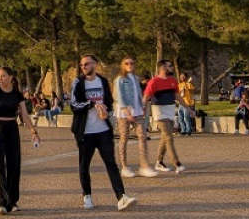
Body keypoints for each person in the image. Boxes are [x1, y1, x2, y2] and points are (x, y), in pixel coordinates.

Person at [70, 54, 137, 212]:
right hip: (85, 132)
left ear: (95, 64)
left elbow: (108, 102)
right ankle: (87, 195)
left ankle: (121, 197)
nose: (84, 67)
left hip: (103, 130)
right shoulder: (78, 83)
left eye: (87, 64)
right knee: (84, 165)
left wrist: (106, 110)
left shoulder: (102, 81)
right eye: (82, 65)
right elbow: (73, 105)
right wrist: (91, 104)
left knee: (111, 164)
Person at [0, 66, 40, 215]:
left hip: (12, 128)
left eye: (3, 76)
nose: (0, 79)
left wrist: (32, 130)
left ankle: (12, 201)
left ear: (11, 77)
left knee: (13, 164)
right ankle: (1, 203)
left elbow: (24, 115)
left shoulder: (17, 94)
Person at [143, 59, 193, 173]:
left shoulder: (173, 81)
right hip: (159, 113)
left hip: (170, 112)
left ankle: (159, 162)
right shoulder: (154, 82)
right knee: (169, 137)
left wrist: (188, 109)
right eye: (170, 66)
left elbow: (177, 96)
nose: (171, 68)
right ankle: (177, 163)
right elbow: (146, 97)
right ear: (163, 68)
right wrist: (143, 110)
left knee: (165, 138)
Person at [113, 57, 157, 178]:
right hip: (123, 112)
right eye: (127, 63)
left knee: (142, 136)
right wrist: (127, 111)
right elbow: (119, 96)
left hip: (137, 111)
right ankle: (124, 167)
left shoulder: (136, 78)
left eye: (132, 63)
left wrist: (142, 106)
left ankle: (144, 166)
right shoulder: (120, 79)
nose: (130, 65)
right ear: (123, 65)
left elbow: (139, 94)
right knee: (124, 138)